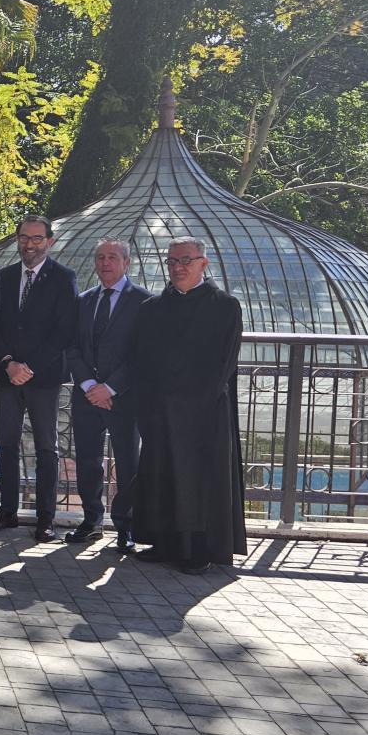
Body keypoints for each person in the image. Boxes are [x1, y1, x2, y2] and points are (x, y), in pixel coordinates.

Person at [131, 237, 246, 574]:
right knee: (160, 477)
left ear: (203, 263)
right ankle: (163, 542)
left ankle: (198, 549)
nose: (178, 268)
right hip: (159, 412)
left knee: (197, 482)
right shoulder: (152, 309)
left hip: (202, 415)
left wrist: (189, 403)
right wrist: (152, 404)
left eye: (186, 260)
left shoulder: (224, 306)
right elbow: (140, 361)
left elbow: (223, 365)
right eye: (172, 262)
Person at [0, 215, 79, 542]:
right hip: (8, 374)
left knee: (46, 448)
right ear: (17, 239)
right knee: (6, 444)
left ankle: (45, 519)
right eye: (25, 237)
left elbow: (64, 330)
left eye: (37, 238)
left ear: (49, 241)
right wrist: (10, 362)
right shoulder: (3, 276)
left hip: (44, 378)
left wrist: (30, 367)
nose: (30, 244)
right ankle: (7, 511)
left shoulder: (64, 278)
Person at [65, 238, 150, 552]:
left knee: (128, 462)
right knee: (87, 460)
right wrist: (89, 386)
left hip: (123, 397)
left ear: (126, 262)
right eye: (100, 257)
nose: (105, 263)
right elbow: (72, 347)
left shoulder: (144, 302)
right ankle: (91, 522)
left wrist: (110, 387)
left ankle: (126, 528)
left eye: (112, 257)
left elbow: (142, 353)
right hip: (86, 396)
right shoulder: (84, 300)